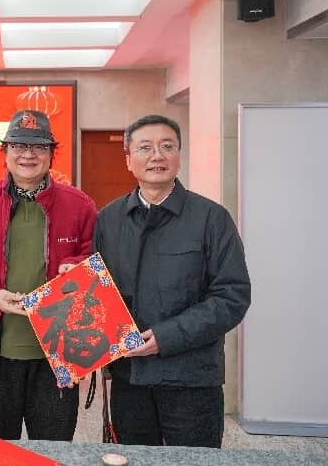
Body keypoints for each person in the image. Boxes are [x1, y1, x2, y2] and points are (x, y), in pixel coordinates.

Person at [92, 114, 251, 448]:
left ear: (179, 155)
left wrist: (166, 337)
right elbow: (97, 293)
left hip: (191, 379)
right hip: (129, 379)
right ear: (128, 159)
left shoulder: (211, 218)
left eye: (167, 146)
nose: (157, 156)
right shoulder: (108, 220)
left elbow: (232, 297)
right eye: (145, 148)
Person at [0, 109, 98, 441]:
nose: (28, 154)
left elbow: (96, 259)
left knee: (53, 450)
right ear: (5, 152)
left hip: (57, 355)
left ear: (51, 154)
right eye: (18, 145)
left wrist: (76, 268)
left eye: (38, 146)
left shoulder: (79, 205)